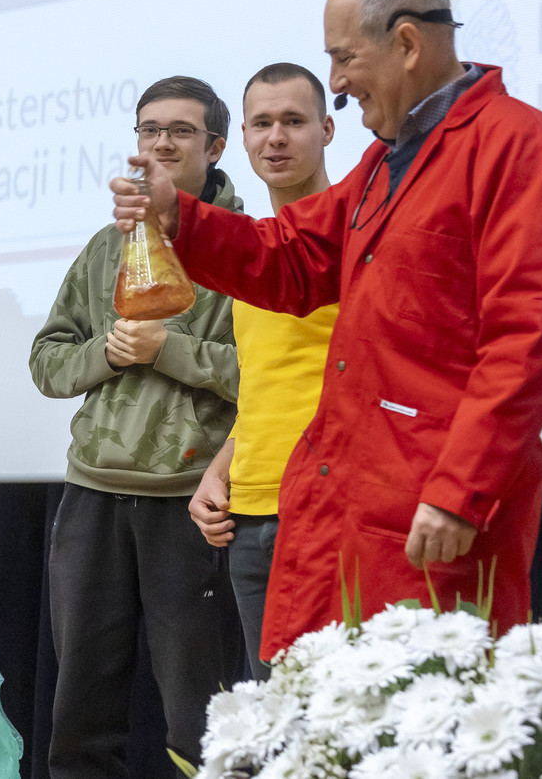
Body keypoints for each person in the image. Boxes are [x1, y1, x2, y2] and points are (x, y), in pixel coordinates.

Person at [113, 0, 542, 658]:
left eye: (344, 58)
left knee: (422, 702)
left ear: (407, 43)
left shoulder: (518, 145)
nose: (336, 82)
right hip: (345, 494)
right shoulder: (385, 163)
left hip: (432, 501)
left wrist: (461, 490)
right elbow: (292, 258)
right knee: (323, 704)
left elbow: (531, 334)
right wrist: (177, 216)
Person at [30, 76, 245, 772]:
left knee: (200, 710)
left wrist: (167, 349)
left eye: (180, 130)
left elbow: (270, 376)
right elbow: (46, 363)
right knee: (79, 712)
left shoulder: (247, 245)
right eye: (149, 129)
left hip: (192, 497)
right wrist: (106, 352)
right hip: (91, 493)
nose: (161, 143)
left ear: (215, 147)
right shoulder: (107, 246)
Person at [187, 63, 339, 679]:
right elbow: (266, 385)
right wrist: (218, 470)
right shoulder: (253, 247)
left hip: (327, 510)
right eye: (263, 123)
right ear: (243, 138)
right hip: (247, 516)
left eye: (294, 121)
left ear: (327, 130)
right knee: (273, 717)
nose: (276, 137)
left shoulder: (354, 237)